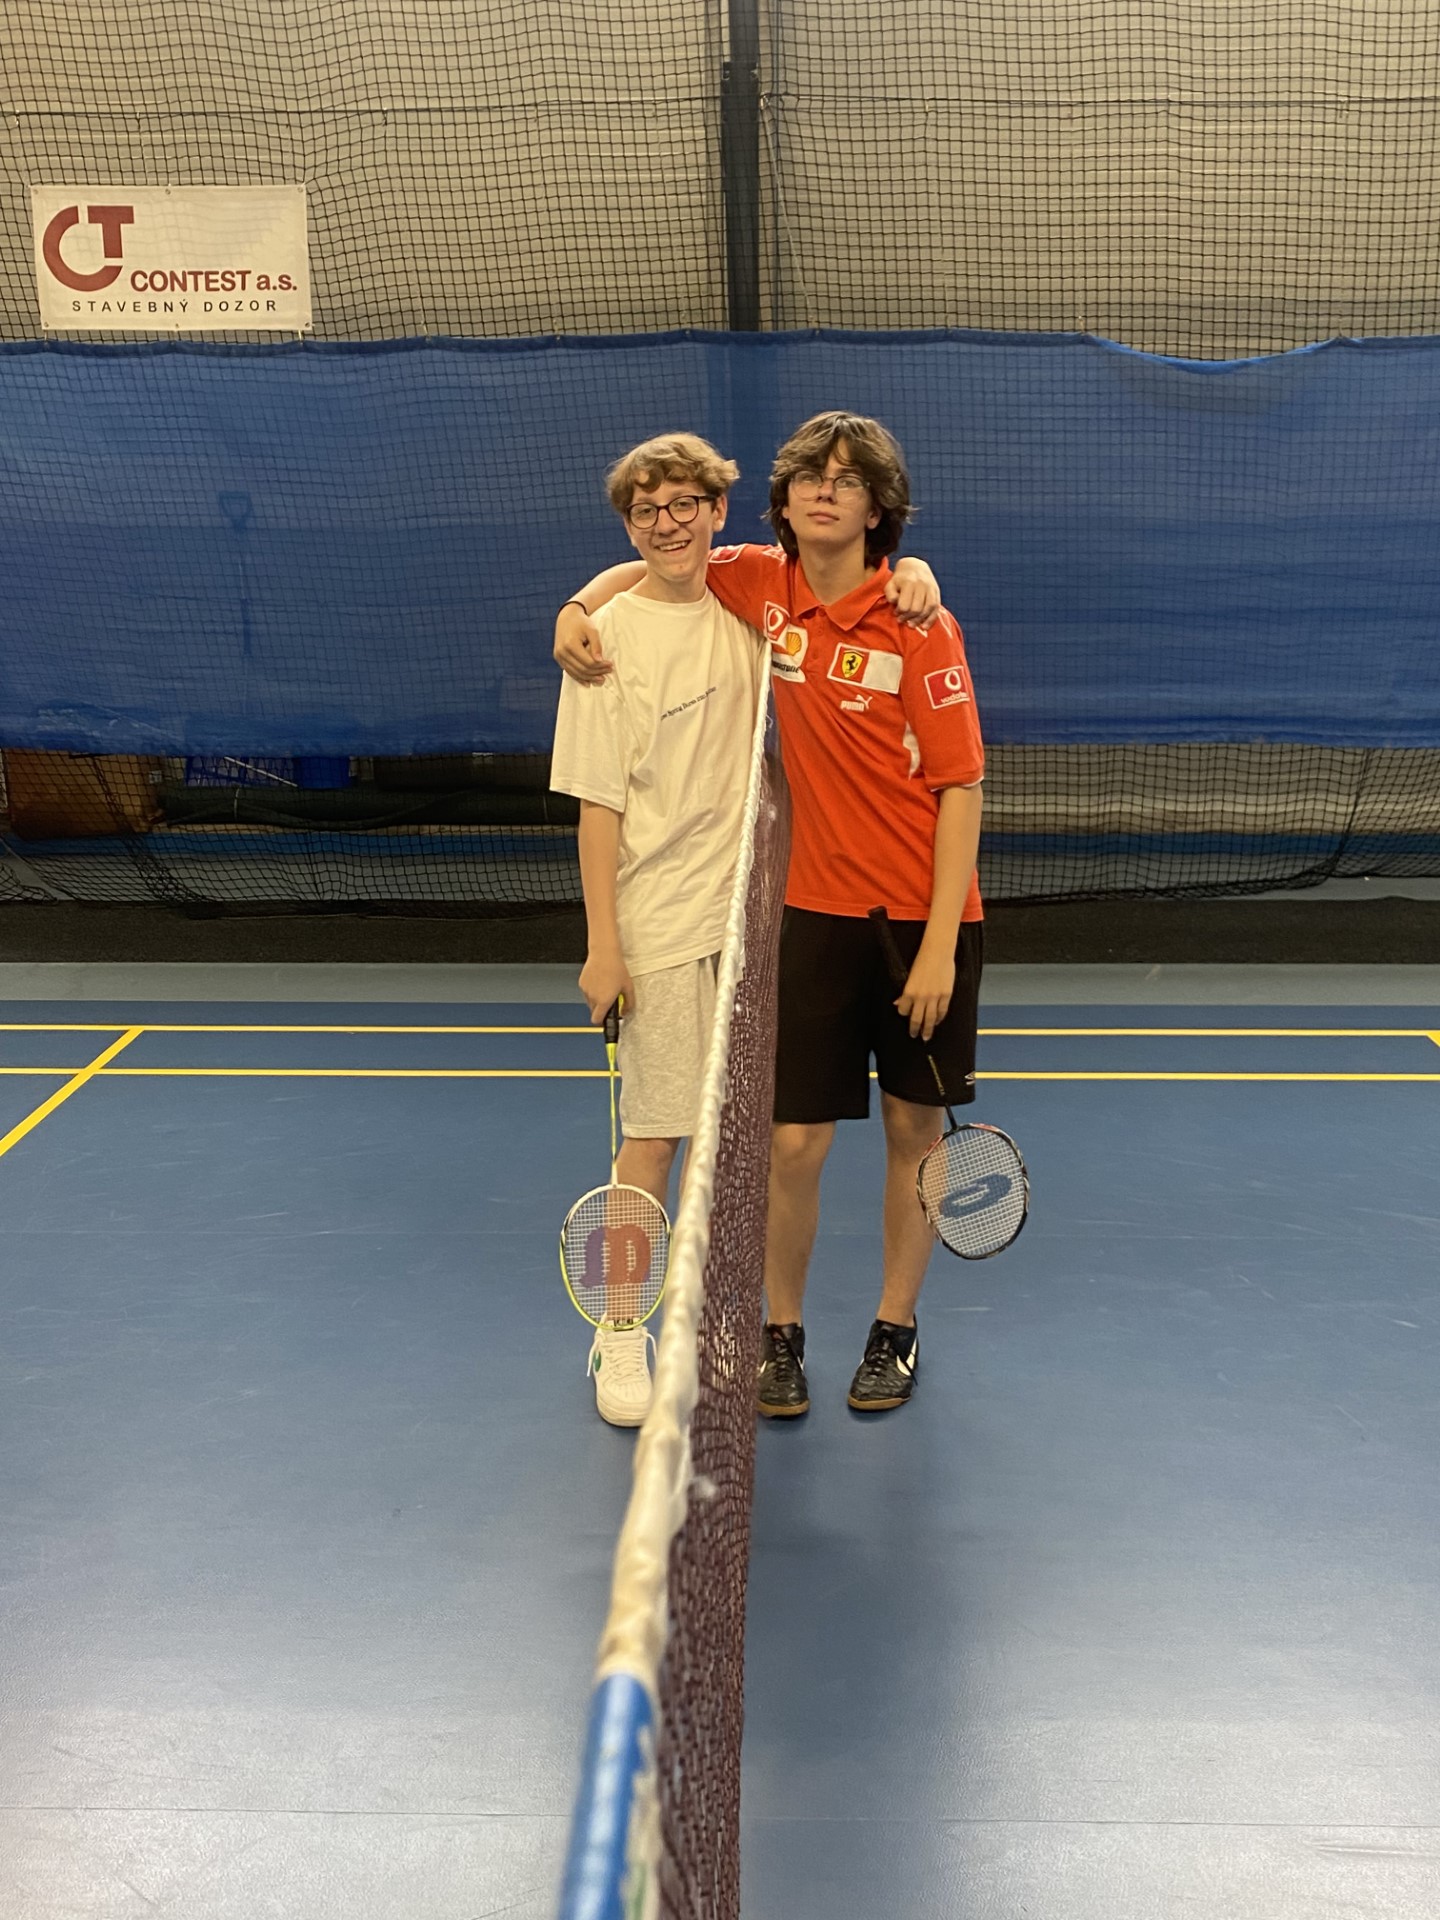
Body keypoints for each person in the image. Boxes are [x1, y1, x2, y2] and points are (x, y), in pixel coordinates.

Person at [554, 412, 984, 1416]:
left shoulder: (913, 622)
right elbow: (653, 572)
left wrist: (937, 948)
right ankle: (717, 1333)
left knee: (913, 1131)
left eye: (848, 480)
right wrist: (575, 604)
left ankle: (894, 1329)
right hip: (790, 920)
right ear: (781, 504)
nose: (826, 491)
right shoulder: (758, 591)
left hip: (905, 925)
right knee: (758, 1143)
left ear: (877, 508)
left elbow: (962, 784)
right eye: (809, 478)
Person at [550, 432, 767, 1427]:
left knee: (737, 1150)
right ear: (628, 526)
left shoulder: (753, 610)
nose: (668, 523)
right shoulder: (605, 644)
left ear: (718, 511)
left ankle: (712, 1324)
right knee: (650, 1143)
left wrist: (918, 572)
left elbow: (851, 570)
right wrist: (605, 945)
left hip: (751, 923)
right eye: (646, 511)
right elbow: (597, 808)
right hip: (658, 927)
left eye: (685, 504)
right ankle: (620, 1330)